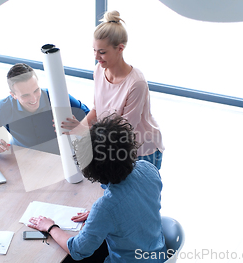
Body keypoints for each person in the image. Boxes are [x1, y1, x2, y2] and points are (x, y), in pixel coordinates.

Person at [28, 114, 168, 263]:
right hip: (158, 255)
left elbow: (77, 250)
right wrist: (104, 218)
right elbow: (141, 205)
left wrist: (51, 227)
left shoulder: (106, 208)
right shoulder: (149, 169)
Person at [61, 10, 165, 169]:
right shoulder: (99, 70)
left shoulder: (136, 83)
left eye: (102, 52)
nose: (96, 57)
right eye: (94, 50)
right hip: (113, 143)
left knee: (140, 193)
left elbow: (123, 129)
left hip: (141, 149)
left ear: (120, 48)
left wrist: (84, 132)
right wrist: (78, 130)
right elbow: (97, 109)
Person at [0, 63, 90, 155]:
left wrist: (82, 128)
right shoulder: (4, 108)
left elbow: (92, 117)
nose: (34, 99)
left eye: (36, 90)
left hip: (62, 158)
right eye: (25, 95)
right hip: (25, 160)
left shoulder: (57, 97)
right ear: (13, 95)